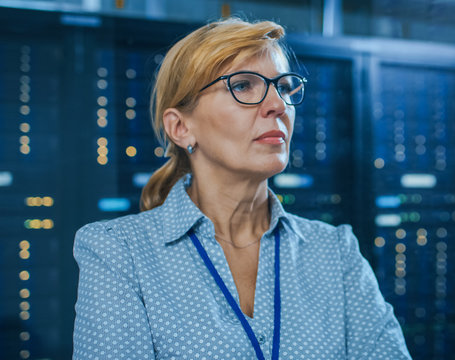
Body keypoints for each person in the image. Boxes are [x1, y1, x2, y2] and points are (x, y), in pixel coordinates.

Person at [73, 17, 411, 359]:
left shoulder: (336, 253)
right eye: (244, 85)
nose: (278, 105)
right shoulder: (118, 253)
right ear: (180, 127)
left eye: (283, 86)